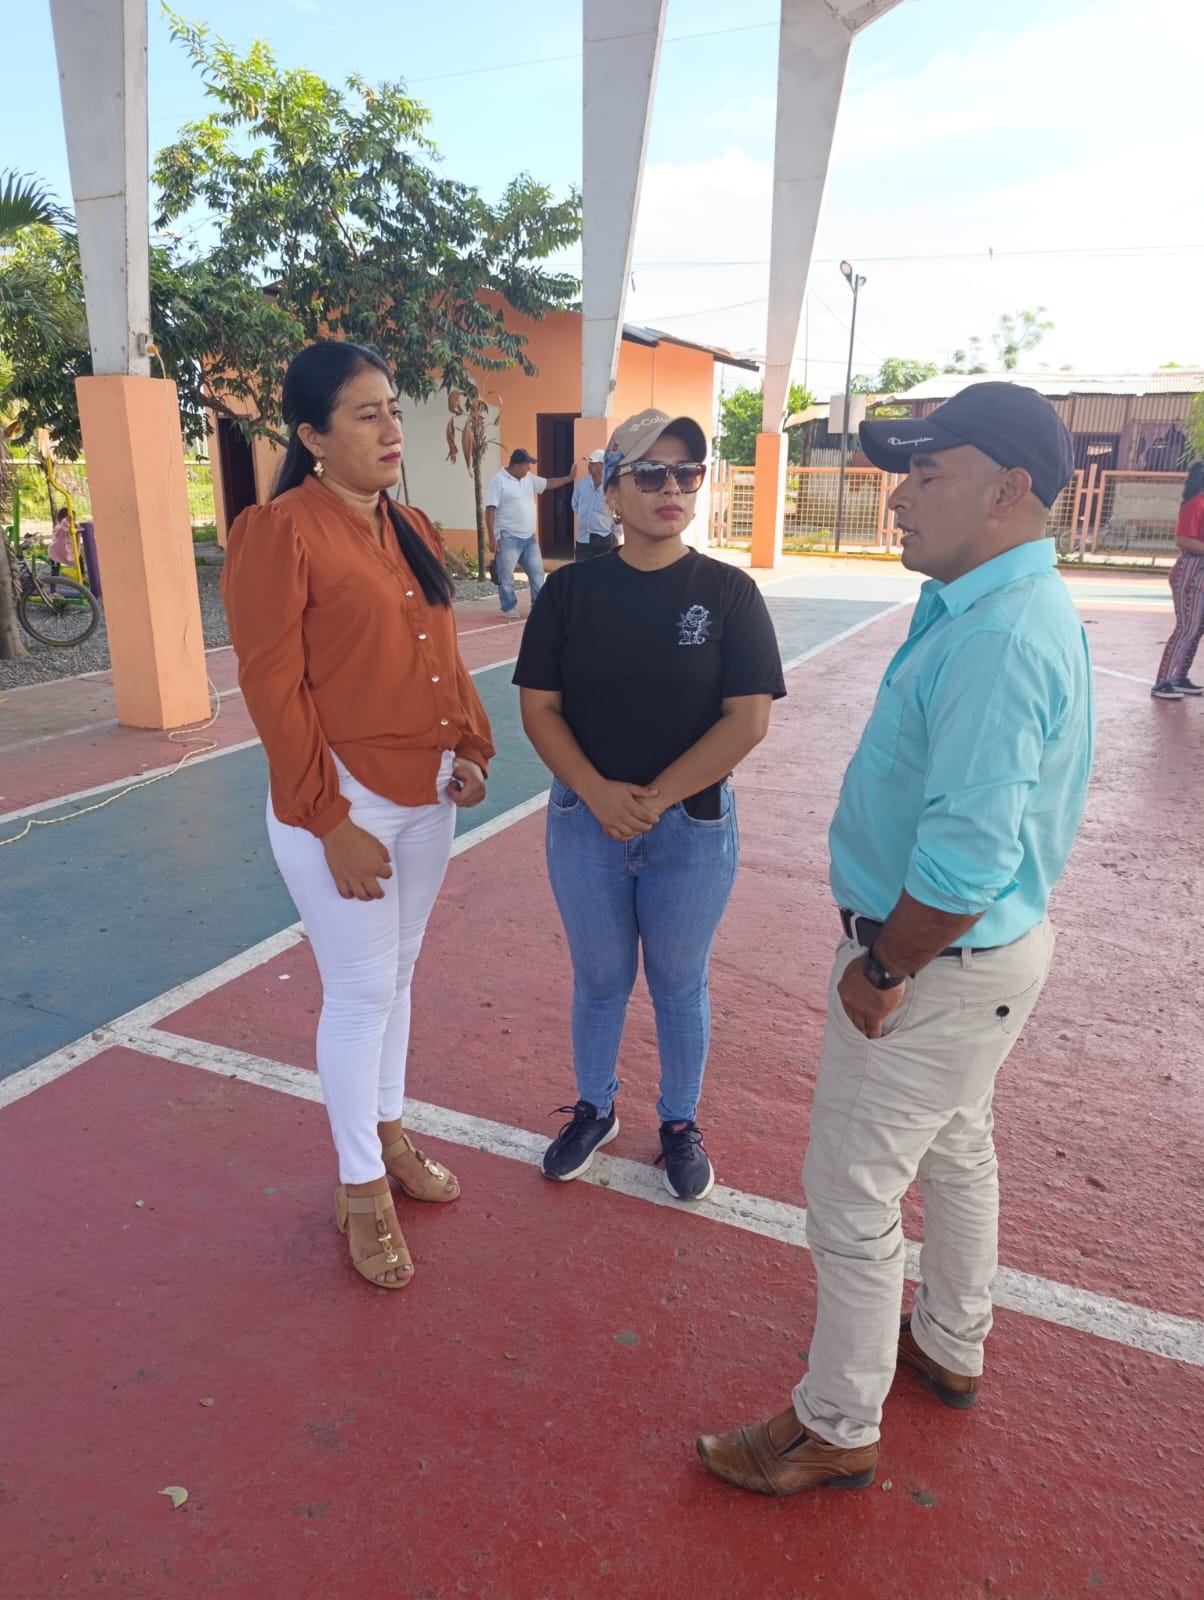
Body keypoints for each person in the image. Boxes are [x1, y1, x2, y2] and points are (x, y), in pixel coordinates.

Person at [697, 382, 1094, 1494]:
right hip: (981, 964)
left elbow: (966, 862)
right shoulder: (990, 604)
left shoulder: (997, 635)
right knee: (958, 1144)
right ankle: (951, 1339)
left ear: (1008, 489)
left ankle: (834, 1421)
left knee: (851, 1193)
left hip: (934, 966)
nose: (900, 496)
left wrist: (882, 966)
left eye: (927, 472)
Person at [222, 340, 495, 1291]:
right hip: (342, 801)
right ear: (311, 435)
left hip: (428, 794)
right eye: (365, 414)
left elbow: (442, 654)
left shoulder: (407, 523)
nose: (390, 429)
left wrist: (470, 746)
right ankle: (361, 1186)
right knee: (359, 992)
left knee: (398, 975)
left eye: (392, 410)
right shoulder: (279, 532)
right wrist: (325, 817)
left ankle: (387, 1132)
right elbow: (272, 687)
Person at [515, 408, 785, 1199]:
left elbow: (748, 719)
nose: (673, 488)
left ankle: (678, 1121)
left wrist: (654, 800)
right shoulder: (569, 595)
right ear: (612, 491)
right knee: (600, 979)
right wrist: (599, 793)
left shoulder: (729, 595)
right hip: (585, 825)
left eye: (687, 473)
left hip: (691, 831)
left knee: (677, 981)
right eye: (651, 473)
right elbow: (540, 708)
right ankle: (595, 1107)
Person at [484, 448, 575, 620]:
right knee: (506, 575)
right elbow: (490, 510)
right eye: (527, 465)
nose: (529, 469)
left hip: (529, 538)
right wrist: (492, 537)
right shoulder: (498, 481)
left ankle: (539, 605)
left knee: (537, 573)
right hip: (508, 537)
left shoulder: (528, 479)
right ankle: (509, 606)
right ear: (517, 466)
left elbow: (547, 483)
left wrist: (569, 478)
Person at [1151, 460, 1204, 699]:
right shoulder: (1195, 503)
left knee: (1197, 628)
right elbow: (1183, 539)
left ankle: (1179, 676)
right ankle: (1162, 681)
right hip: (1191, 571)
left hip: (1199, 570)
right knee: (1187, 627)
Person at [571, 448, 619, 560]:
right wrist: (586, 515)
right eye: (589, 462)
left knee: (604, 570)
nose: (589, 466)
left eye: (593, 463)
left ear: (602, 466)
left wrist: (616, 536)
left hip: (604, 540)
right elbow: (575, 504)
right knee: (581, 569)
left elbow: (618, 511)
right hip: (584, 539)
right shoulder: (582, 484)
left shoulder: (611, 487)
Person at [47, 507, 73, 578]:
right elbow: (62, 530)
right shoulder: (59, 528)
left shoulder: (69, 528)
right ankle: (53, 582)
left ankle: (82, 572)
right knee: (55, 570)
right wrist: (66, 522)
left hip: (62, 550)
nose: (72, 522)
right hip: (54, 551)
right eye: (70, 520)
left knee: (79, 557)